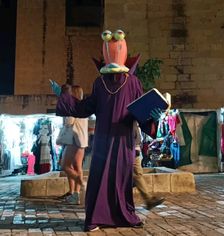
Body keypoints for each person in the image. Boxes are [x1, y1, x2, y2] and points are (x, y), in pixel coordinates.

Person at [56, 29, 159, 232]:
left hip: (123, 140)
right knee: (100, 177)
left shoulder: (134, 83)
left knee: (121, 178)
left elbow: (140, 112)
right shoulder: (100, 83)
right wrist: (64, 96)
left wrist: (153, 117)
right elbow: (84, 107)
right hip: (104, 140)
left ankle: (124, 215)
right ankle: (95, 217)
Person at [58, 85, 88, 204]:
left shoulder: (72, 106)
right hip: (82, 141)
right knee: (77, 167)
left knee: (65, 165)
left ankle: (82, 184)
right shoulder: (83, 106)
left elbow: (69, 122)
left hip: (73, 140)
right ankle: (75, 195)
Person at [133, 123, 165, 210]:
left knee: (137, 175)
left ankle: (148, 200)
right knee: (137, 175)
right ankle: (148, 199)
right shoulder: (130, 121)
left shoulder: (136, 122)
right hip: (132, 150)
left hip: (135, 150)